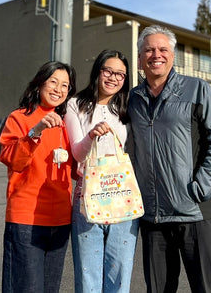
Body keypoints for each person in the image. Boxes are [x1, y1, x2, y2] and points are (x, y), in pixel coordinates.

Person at [128, 25, 211, 293]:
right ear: (140, 58)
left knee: (207, 288)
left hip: (196, 213)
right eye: (149, 50)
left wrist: (202, 187)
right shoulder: (132, 99)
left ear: (172, 56)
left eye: (163, 49)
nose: (156, 55)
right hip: (153, 217)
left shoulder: (197, 89)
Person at [0, 61, 77, 293]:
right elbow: (13, 159)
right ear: (39, 83)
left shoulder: (67, 123)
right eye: (53, 82)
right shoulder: (20, 117)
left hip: (61, 220)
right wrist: (36, 131)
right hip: (26, 219)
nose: (58, 89)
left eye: (65, 85)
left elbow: (74, 169)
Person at [65, 49, 139, 293]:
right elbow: (76, 153)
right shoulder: (76, 105)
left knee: (119, 273)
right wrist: (91, 135)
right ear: (97, 71)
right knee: (88, 276)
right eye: (108, 70)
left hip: (123, 199)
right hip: (88, 198)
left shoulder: (129, 108)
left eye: (120, 74)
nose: (113, 77)